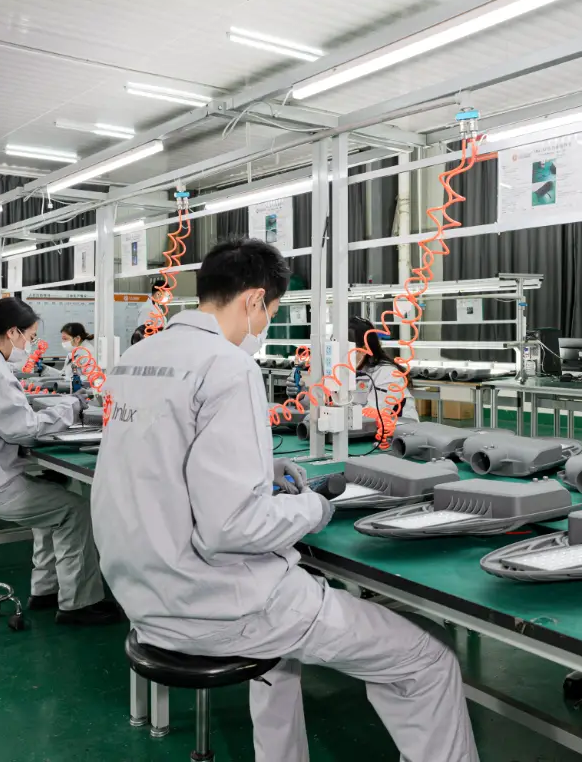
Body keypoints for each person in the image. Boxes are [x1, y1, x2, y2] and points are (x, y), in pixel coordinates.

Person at [92, 238, 478, 761]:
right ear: (254, 301)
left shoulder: (140, 356)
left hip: (142, 593)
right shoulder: (228, 368)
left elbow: (157, 459)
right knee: (427, 660)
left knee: (281, 658)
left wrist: (258, 469)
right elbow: (233, 527)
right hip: (219, 604)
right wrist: (316, 508)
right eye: (272, 311)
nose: (266, 325)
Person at [0, 297, 120, 626]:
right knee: (73, 510)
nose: (30, 344)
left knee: (51, 497)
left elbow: (6, 413)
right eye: (29, 337)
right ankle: (79, 604)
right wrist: (71, 406)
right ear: (12, 332)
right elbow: (24, 431)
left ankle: (45, 590)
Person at [287, 315, 420, 424]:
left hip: (400, 435)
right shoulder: (339, 371)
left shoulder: (388, 374)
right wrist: (302, 395)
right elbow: (325, 403)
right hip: (360, 434)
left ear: (363, 350)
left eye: (347, 350)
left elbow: (372, 415)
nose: (340, 356)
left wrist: (332, 414)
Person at [38, 323, 95, 387]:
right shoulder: (73, 352)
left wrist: (67, 379)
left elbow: (89, 378)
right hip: (70, 386)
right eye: (62, 339)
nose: (63, 342)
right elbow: (64, 374)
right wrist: (45, 369)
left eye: (65, 339)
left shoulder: (88, 353)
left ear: (77, 338)